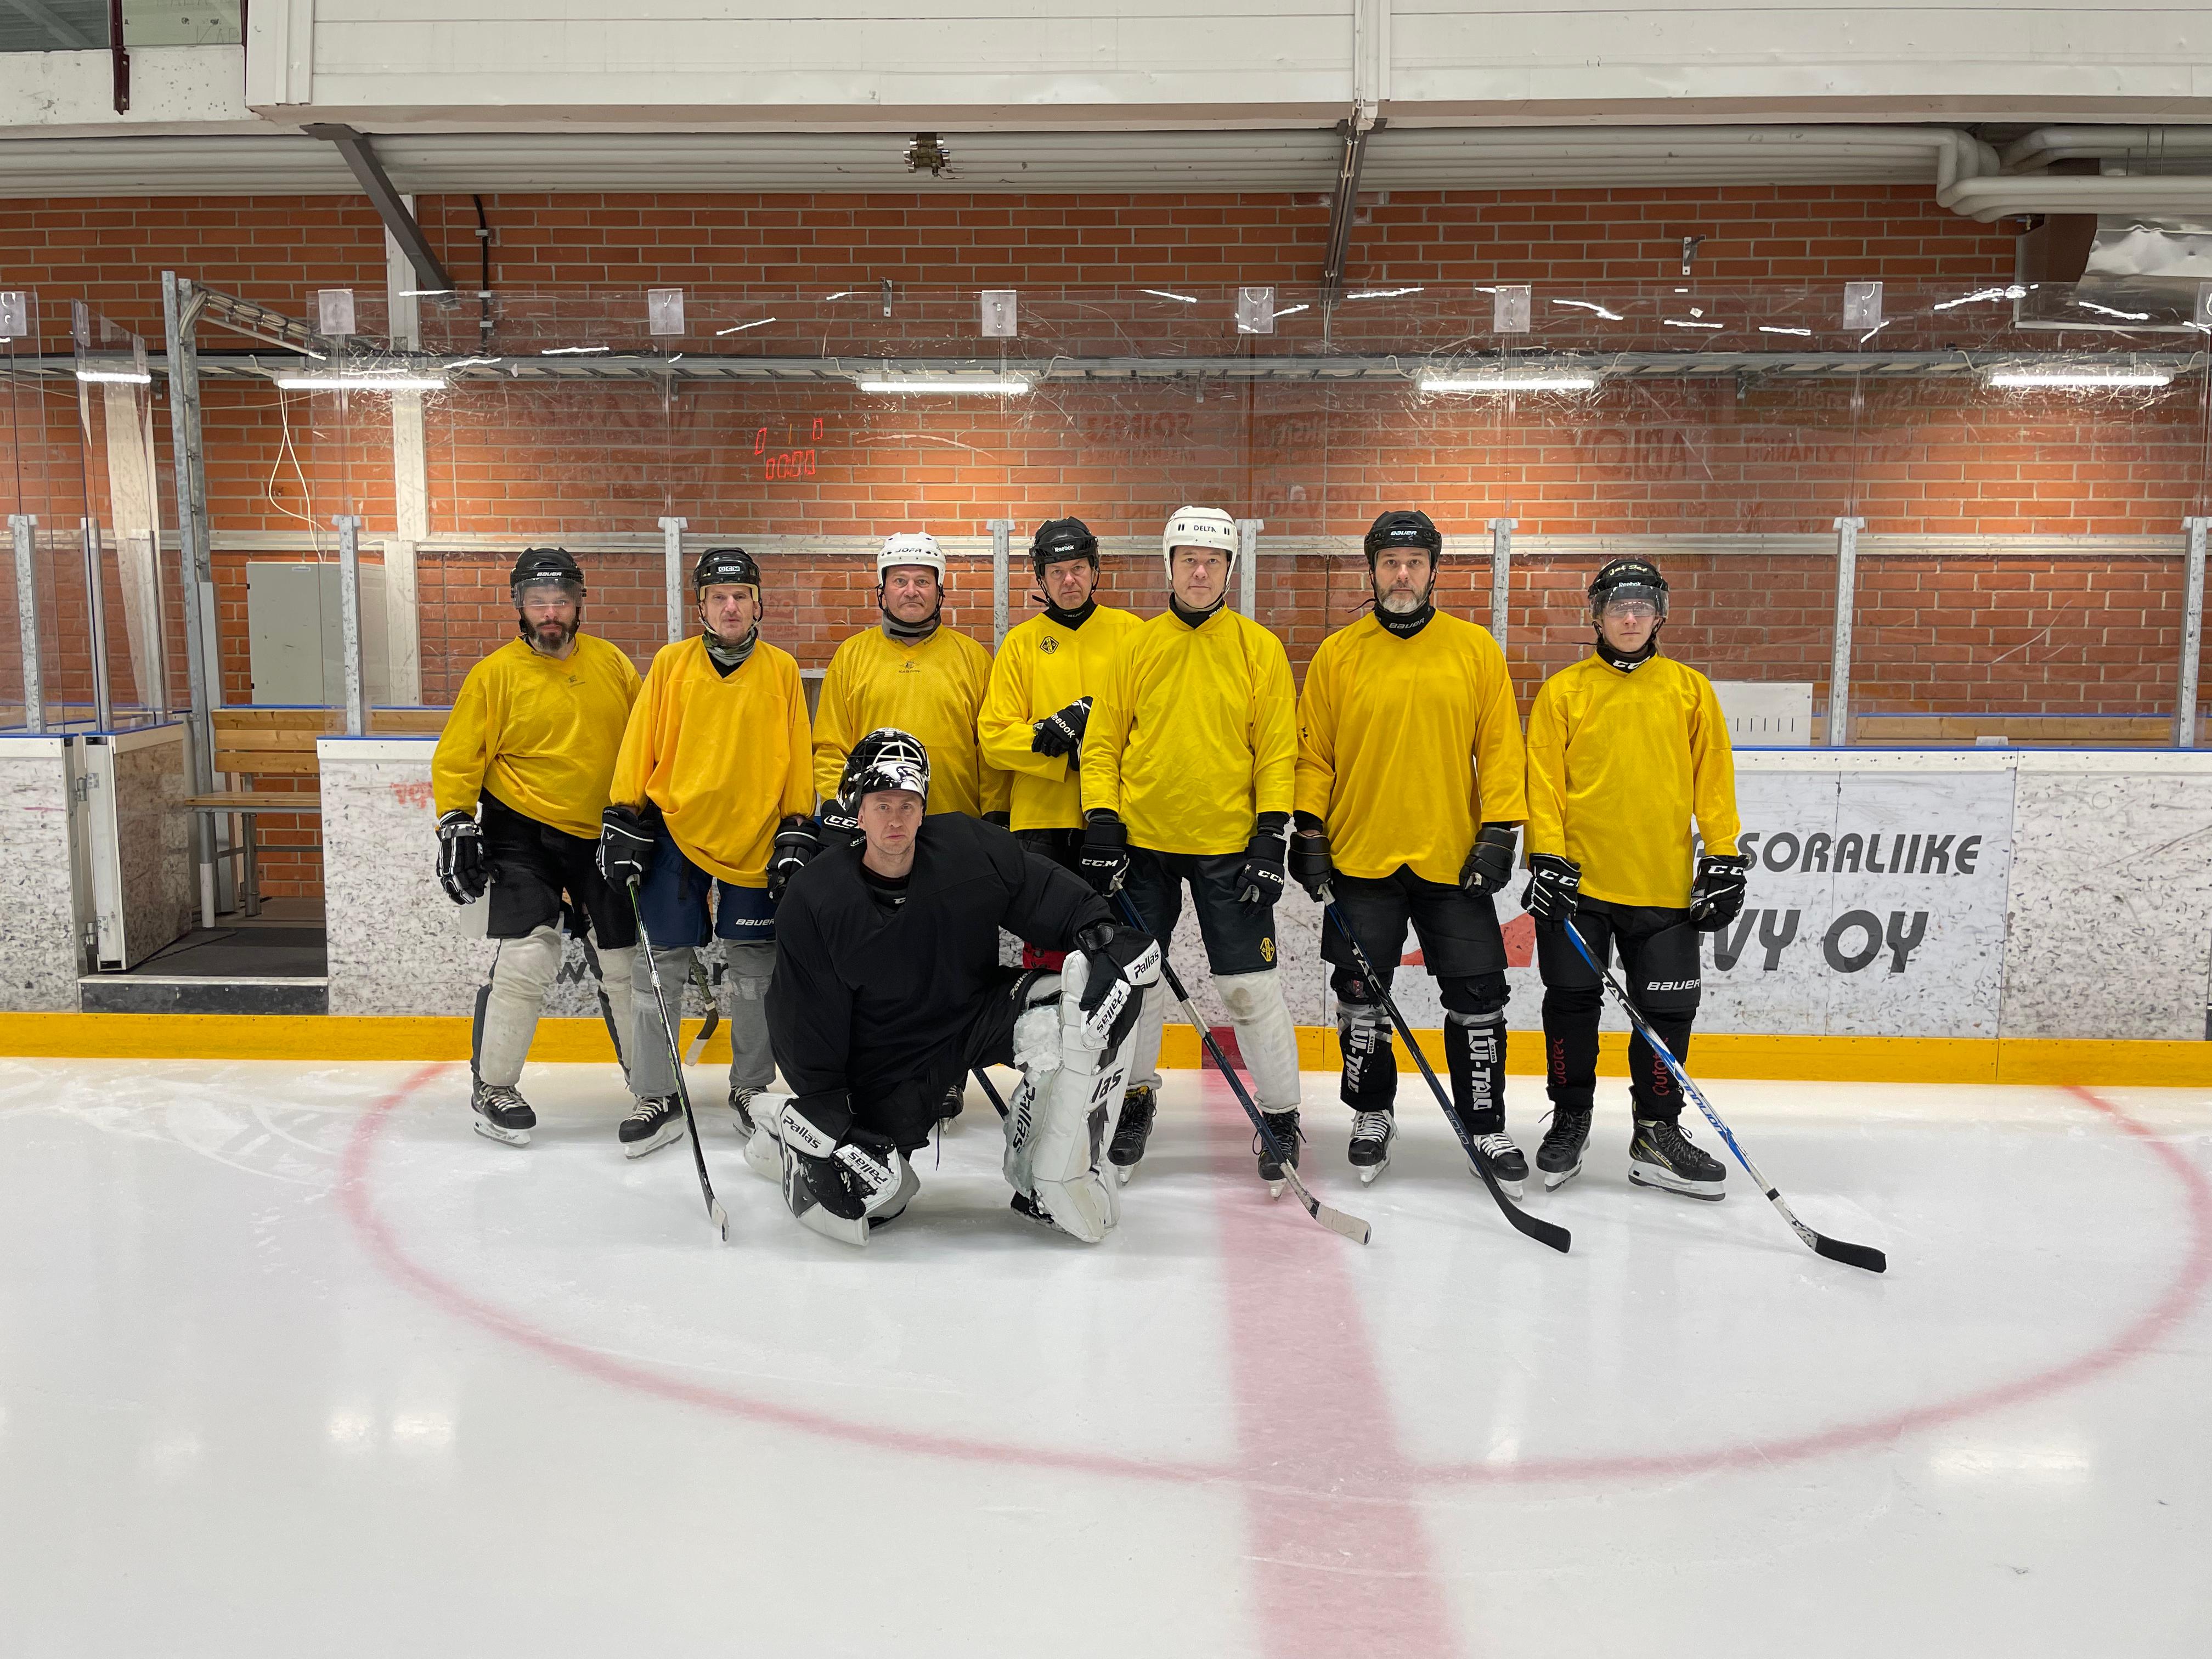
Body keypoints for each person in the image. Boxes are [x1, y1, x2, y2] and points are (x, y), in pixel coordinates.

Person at [754, 729, 1161, 1246]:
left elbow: (1041, 891)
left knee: (1073, 1009)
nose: (896, 819)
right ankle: (782, 1136)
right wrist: (827, 1108)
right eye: (882, 806)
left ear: (924, 810)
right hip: (887, 1061)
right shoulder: (816, 897)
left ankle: (1046, 1180)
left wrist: (1100, 933)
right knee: (880, 1199)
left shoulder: (969, 849)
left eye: (908, 805)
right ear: (858, 812)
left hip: (975, 1014)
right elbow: (802, 1019)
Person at [1289, 510, 1530, 1188]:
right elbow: (1314, 756)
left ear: (1433, 572)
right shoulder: (1339, 654)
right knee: (1360, 995)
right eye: (1390, 563)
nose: (1402, 574)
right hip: (1361, 856)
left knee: (1479, 994)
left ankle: (1484, 1124)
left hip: (1452, 858)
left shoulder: (1475, 650)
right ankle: (1373, 1112)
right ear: (1372, 571)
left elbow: (1500, 750)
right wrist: (1309, 830)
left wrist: (1499, 830)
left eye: (1415, 563)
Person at [1080, 505, 1302, 1190]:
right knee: (1137, 983)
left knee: (1248, 987)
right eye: (1188, 560)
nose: (1200, 572)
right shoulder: (1138, 646)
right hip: (1145, 846)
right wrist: (1102, 821)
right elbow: (1102, 744)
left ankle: (1281, 1114)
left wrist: (1270, 835)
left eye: (1212, 561)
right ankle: (1135, 1098)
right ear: (1169, 566)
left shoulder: (1258, 648)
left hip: (1229, 847)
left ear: (1229, 569)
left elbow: (1277, 751)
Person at [1522, 556, 1748, 1198]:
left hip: (1663, 888)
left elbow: (1714, 780)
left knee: (1669, 1012)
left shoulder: (1689, 690)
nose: (1630, 619)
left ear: (1660, 616)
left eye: (1641, 607)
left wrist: (1724, 857)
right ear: (1596, 615)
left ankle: (1656, 1132)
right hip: (1580, 889)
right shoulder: (1564, 692)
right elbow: (1544, 786)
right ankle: (1570, 1119)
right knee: (1570, 1006)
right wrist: (1546, 858)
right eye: (1618, 607)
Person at [595, 546, 814, 1158]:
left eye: (741, 596)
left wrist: (798, 822)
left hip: (755, 835)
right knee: (659, 965)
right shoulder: (671, 664)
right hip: (675, 831)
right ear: (701, 607)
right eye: (719, 597)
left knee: (756, 969)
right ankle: (656, 1093)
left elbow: (798, 748)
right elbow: (641, 739)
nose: (731, 606)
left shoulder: (781, 670)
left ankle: (752, 1088)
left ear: (758, 603)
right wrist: (623, 810)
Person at [432, 547, 642, 1147]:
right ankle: (494, 1086)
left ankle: (653, 1085)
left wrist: (642, 814)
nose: (551, 612)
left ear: (579, 603)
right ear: (519, 606)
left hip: (601, 831)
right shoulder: (494, 674)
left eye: (561, 601)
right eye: (538, 601)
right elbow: (458, 756)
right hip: (521, 830)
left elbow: (644, 742)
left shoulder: (613, 664)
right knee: (528, 954)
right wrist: (454, 819)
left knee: (623, 964)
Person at [976, 516, 1143, 973]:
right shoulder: (1020, 643)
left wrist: (1089, 713)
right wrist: (1064, 749)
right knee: (1049, 955)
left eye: (1078, 569)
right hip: (1041, 820)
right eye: (1057, 572)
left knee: (1114, 951)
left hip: (1115, 818)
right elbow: (994, 737)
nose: (1069, 580)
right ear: (1041, 578)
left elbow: (1150, 720)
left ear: (1095, 570)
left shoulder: (1132, 634)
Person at [812, 531, 1008, 822]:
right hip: (874, 827)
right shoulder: (851, 655)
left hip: (957, 823)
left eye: (923, 581)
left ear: (939, 589)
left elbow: (990, 750)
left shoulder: (974, 657)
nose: (911, 591)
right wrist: (843, 807)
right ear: (883, 589)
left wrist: (996, 812)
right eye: (900, 581)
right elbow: (831, 748)